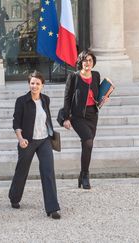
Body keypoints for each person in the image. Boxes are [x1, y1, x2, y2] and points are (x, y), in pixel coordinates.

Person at [8, 70, 61, 220]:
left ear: (42, 85)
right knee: (22, 170)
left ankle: (53, 208)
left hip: (44, 140)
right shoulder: (21, 101)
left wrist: (51, 135)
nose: (34, 86)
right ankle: (14, 197)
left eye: (38, 83)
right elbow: (16, 122)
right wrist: (20, 139)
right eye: (32, 83)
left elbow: (46, 118)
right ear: (28, 84)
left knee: (48, 171)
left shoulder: (46, 100)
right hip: (27, 141)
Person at [61, 50, 109, 190]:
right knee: (88, 140)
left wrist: (103, 98)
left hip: (92, 114)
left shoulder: (96, 75)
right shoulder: (73, 77)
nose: (87, 63)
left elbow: (97, 94)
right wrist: (66, 117)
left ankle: (82, 175)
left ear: (93, 62)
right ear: (80, 62)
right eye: (85, 60)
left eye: (90, 60)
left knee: (87, 145)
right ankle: (86, 175)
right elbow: (67, 98)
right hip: (77, 115)